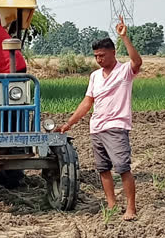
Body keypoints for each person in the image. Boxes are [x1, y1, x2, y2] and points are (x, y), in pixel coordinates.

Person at [56, 16, 142, 221]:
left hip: (116, 126)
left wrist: (125, 37)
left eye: (102, 55)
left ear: (113, 52)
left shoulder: (125, 71)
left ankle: (131, 208)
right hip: (96, 128)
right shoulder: (95, 76)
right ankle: (111, 204)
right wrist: (69, 123)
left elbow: (137, 61)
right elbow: (87, 102)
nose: (99, 59)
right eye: (96, 56)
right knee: (103, 169)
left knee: (122, 168)